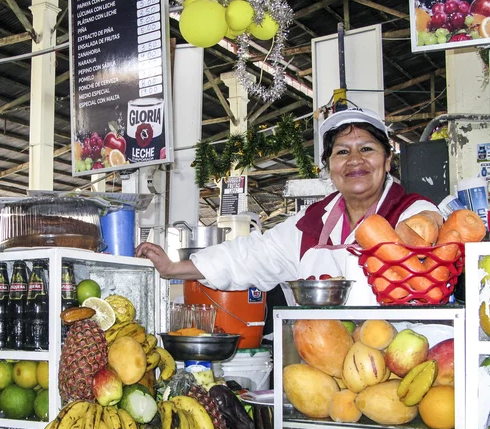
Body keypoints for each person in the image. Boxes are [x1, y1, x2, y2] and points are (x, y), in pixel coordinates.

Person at [136, 107, 442, 305]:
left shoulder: (413, 212)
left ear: (388, 160)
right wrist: (174, 268)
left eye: (367, 149)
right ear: (329, 166)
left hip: (395, 370)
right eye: (341, 152)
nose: (354, 161)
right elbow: (252, 256)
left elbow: (428, 255)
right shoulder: (312, 223)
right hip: (321, 370)